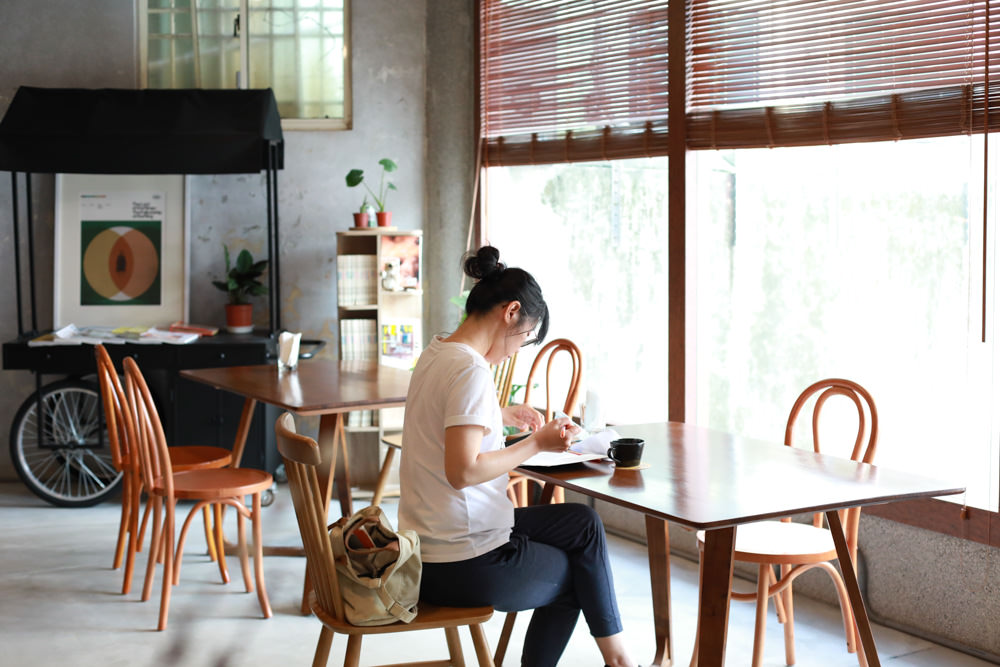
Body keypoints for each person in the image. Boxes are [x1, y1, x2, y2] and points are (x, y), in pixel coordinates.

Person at [398, 246, 636, 667]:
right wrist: (538, 443)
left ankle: (619, 658)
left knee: (582, 523)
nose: (517, 350)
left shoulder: (438, 353)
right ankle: (620, 660)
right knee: (576, 579)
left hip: (426, 547)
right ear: (510, 312)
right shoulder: (471, 371)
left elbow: (442, 424)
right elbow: (463, 470)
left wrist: (497, 416)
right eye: (525, 337)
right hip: (462, 561)